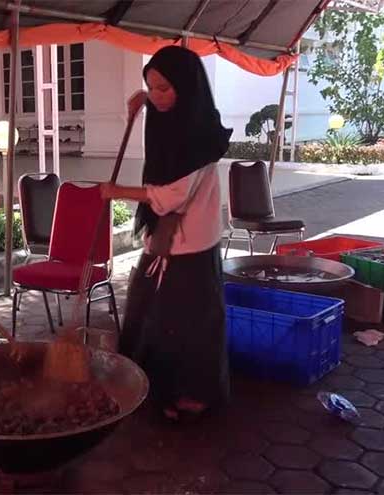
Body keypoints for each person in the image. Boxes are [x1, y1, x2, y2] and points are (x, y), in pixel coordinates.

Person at [100, 46, 232, 421]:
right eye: (151, 87)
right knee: (148, 315)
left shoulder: (201, 134)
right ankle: (152, 385)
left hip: (191, 247)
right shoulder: (170, 117)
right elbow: (159, 130)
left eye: (164, 89)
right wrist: (143, 100)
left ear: (187, 88)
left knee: (188, 325)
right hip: (161, 242)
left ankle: (194, 393)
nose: (157, 97)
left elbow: (173, 195)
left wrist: (117, 193)